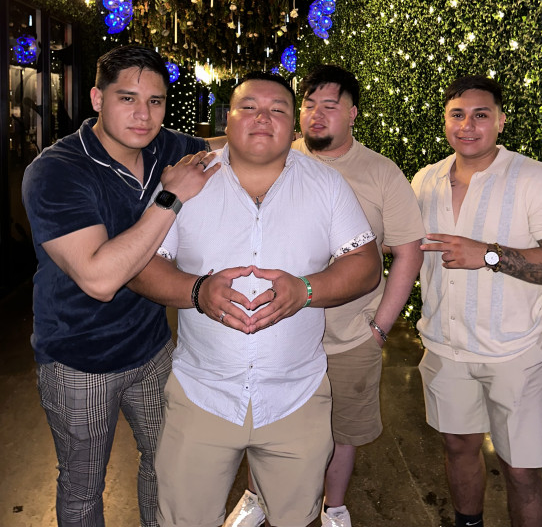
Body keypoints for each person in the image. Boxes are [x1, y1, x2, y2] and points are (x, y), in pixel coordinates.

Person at [128, 71, 382, 527]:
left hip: (297, 395)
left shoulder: (325, 184)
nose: (263, 118)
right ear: (227, 118)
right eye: (249, 107)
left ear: (293, 124)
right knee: (184, 519)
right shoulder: (187, 180)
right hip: (202, 394)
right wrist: (196, 291)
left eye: (277, 109)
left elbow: (365, 264)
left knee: (295, 518)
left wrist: (306, 290)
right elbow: (142, 265)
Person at [22, 44, 222, 527]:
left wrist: (291, 133)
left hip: (152, 348)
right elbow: (99, 279)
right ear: (97, 98)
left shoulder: (166, 147)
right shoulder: (56, 171)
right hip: (79, 359)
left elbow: (225, 146)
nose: (143, 115)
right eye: (127, 98)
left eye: (155, 101)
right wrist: (171, 197)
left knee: (166, 464)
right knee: (83, 488)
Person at [225, 64, 424, 527]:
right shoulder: (277, 158)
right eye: (309, 104)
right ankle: (257, 497)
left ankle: (333, 507)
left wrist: (380, 328)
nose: (316, 114)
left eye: (330, 106)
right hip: (275, 330)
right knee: (264, 421)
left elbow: (408, 253)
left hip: (349, 337)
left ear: (352, 114)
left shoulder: (380, 173)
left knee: (343, 431)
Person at [413, 75, 542, 527]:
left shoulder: (535, 178)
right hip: (444, 347)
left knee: (522, 470)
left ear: (501, 121)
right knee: (458, 447)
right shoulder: (426, 179)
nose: (468, 125)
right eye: (457, 114)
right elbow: (407, 247)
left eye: (481, 115)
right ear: (445, 121)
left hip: (514, 353)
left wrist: (489, 254)